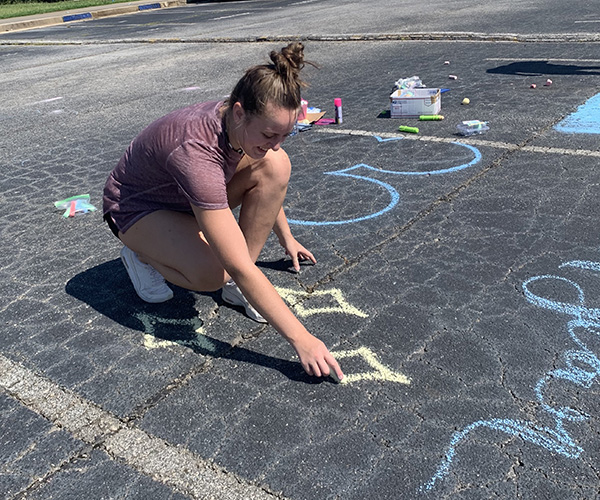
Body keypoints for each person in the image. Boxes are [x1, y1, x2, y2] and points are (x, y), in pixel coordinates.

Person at [103, 42, 344, 381]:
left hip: (181, 198)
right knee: (214, 275)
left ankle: (241, 288)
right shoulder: (197, 152)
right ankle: (140, 254)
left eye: (285, 134)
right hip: (136, 208)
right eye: (269, 133)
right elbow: (236, 263)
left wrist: (286, 236)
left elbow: (268, 180)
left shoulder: (237, 123)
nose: (275, 142)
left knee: (274, 164)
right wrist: (301, 339)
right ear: (240, 112)